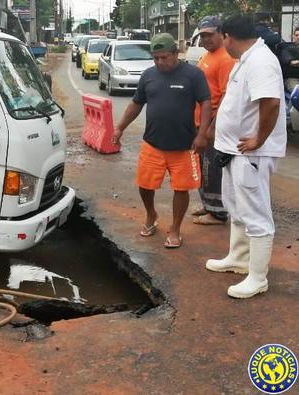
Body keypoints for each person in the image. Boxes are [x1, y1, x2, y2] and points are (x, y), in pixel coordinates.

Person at [205, 15, 287, 299]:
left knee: (256, 213)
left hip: (251, 152)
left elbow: (271, 102)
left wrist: (258, 139)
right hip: (233, 151)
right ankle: (238, 259)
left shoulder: (261, 61)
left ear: (227, 36)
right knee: (235, 205)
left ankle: (257, 277)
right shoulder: (247, 59)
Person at [112, 33, 211, 248]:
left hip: (184, 145)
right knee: (145, 185)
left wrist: (202, 134)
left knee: (181, 188)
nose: (160, 62)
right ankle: (151, 215)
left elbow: (205, 103)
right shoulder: (148, 75)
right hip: (153, 143)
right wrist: (119, 127)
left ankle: (175, 228)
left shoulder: (193, 75)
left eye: (164, 57)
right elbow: (136, 104)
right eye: (156, 58)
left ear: (176, 53)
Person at [192, 16, 236, 226]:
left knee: (212, 167)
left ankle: (218, 213)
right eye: (202, 35)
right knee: (202, 167)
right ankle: (208, 204)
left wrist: (212, 127)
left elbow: (227, 96)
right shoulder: (207, 55)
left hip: (213, 124)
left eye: (209, 35)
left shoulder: (226, 59)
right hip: (201, 122)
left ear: (221, 33)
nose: (206, 39)